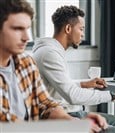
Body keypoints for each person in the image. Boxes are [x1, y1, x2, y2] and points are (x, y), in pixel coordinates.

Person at [0, 0, 108, 132]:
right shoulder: (48, 53)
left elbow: (46, 104)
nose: (27, 37)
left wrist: (74, 122)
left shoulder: (26, 64)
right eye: (17, 28)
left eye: (27, 29)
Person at [32, 5, 115, 127]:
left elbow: (58, 86)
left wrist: (84, 84)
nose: (83, 34)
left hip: (70, 111)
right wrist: (114, 94)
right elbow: (73, 96)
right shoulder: (49, 54)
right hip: (65, 115)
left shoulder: (51, 50)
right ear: (68, 28)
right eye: (81, 29)